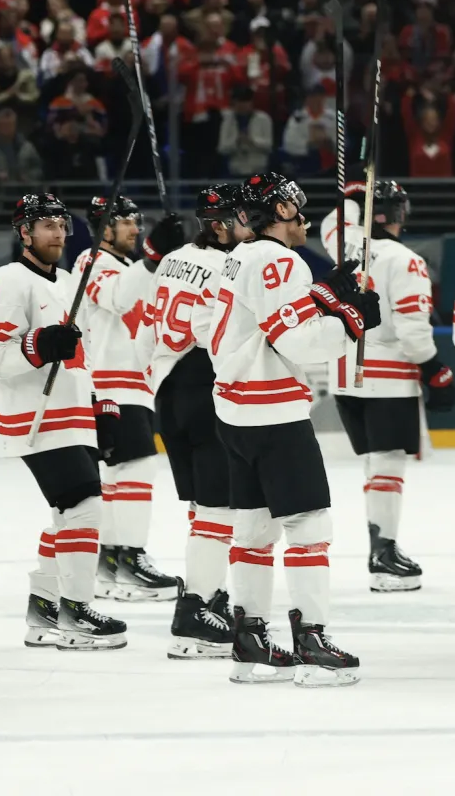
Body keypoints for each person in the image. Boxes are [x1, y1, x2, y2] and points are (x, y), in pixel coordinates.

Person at [210, 172, 380, 687]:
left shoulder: (238, 256)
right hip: (273, 411)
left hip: (233, 411)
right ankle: (311, 640)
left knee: (255, 531)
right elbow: (299, 343)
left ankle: (250, 640)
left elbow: (262, 321)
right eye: (294, 207)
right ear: (279, 211)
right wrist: (351, 320)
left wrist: (325, 295)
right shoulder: (277, 259)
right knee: (309, 526)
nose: (303, 216)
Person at [0, 193, 125, 650]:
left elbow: (82, 358)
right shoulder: (6, 281)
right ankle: (75, 612)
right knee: (84, 506)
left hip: (71, 414)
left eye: (62, 225)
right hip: (35, 419)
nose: (58, 234)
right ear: (23, 232)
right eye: (47, 226)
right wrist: (41, 343)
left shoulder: (67, 281)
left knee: (67, 514)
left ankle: (44, 611)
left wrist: (99, 405)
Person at [319, 179, 455, 593]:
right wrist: (434, 367)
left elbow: (330, 224)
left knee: (375, 463)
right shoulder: (405, 260)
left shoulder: (346, 247)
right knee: (388, 463)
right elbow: (414, 333)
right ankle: (384, 552)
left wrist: (350, 201)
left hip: (344, 375)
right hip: (388, 378)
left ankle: (382, 546)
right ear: (398, 215)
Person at [149, 183, 249, 659]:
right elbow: (223, 337)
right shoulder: (229, 265)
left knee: (200, 509)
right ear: (222, 224)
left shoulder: (171, 259)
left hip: (167, 391)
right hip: (203, 387)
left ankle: (209, 596)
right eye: (241, 218)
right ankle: (194, 613)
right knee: (218, 511)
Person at [75, 196, 185, 602]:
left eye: (139, 222)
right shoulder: (91, 262)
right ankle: (128, 559)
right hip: (111, 383)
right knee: (135, 468)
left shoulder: (126, 265)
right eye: (127, 223)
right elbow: (118, 298)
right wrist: (155, 259)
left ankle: (111, 563)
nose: (136, 229)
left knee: (122, 475)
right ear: (104, 228)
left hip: (134, 382)